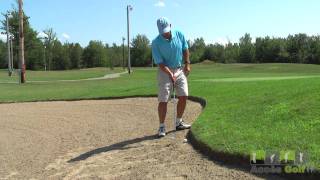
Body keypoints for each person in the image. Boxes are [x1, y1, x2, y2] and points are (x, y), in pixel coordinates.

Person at [151, 17, 191, 137]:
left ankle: (179, 122)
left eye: (167, 30)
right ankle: (162, 126)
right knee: (163, 100)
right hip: (164, 71)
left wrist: (187, 63)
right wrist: (170, 74)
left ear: (170, 25)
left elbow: (185, 49)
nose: (166, 33)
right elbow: (160, 63)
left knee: (184, 95)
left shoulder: (179, 34)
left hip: (179, 69)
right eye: (163, 32)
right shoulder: (156, 42)